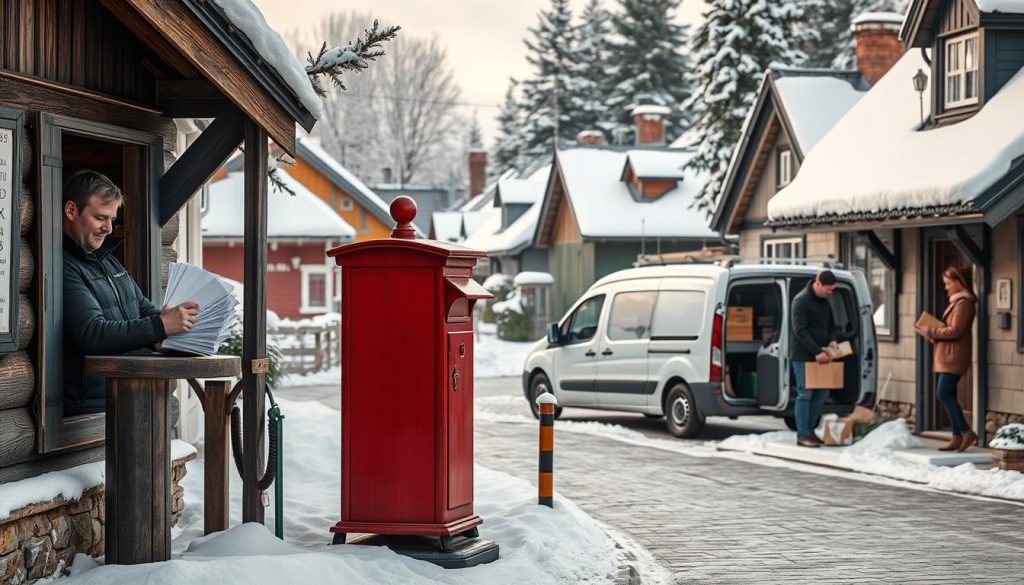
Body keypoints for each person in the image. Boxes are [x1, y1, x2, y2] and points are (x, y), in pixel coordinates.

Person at [62, 170, 199, 416]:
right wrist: (159, 327)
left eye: (112, 219)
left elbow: (143, 308)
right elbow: (92, 333)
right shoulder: (63, 265)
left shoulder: (108, 261)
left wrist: (166, 327)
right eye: (100, 217)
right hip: (92, 411)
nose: (108, 228)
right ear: (72, 211)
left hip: (131, 401)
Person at [915, 266, 977, 452]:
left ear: (960, 282)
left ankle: (967, 432)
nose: (946, 287)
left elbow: (955, 330)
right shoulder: (957, 302)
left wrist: (930, 330)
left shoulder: (964, 303)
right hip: (948, 354)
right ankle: (957, 436)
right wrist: (932, 334)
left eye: (949, 283)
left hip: (954, 356)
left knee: (943, 393)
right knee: (949, 394)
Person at [790, 270, 841, 448]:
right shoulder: (801, 301)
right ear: (818, 284)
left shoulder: (824, 302)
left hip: (823, 354)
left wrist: (833, 339)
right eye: (828, 289)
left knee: (821, 393)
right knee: (805, 394)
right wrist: (816, 351)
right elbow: (799, 331)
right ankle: (802, 435)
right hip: (804, 355)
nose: (830, 293)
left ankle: (810, 430)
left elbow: (832, 325)